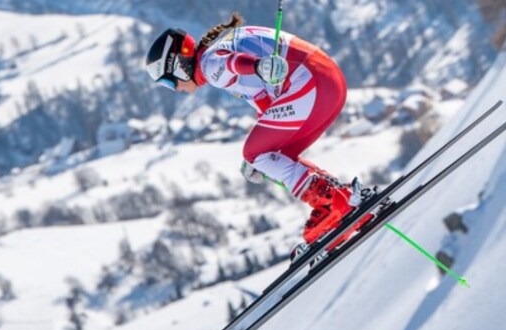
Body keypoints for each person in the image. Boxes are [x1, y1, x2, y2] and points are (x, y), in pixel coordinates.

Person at [145, 13, 371, 247]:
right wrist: (266, 162)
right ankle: (343, 198)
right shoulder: (220, 52)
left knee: (254, 152)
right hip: (327, 82)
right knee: (271, 155)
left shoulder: (210, 64)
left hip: (311, 84)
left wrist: (258, 66)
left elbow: (232, 63)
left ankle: (333, 204)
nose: (174, 89)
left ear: (179, 66)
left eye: (168, 82)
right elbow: (265, 105)